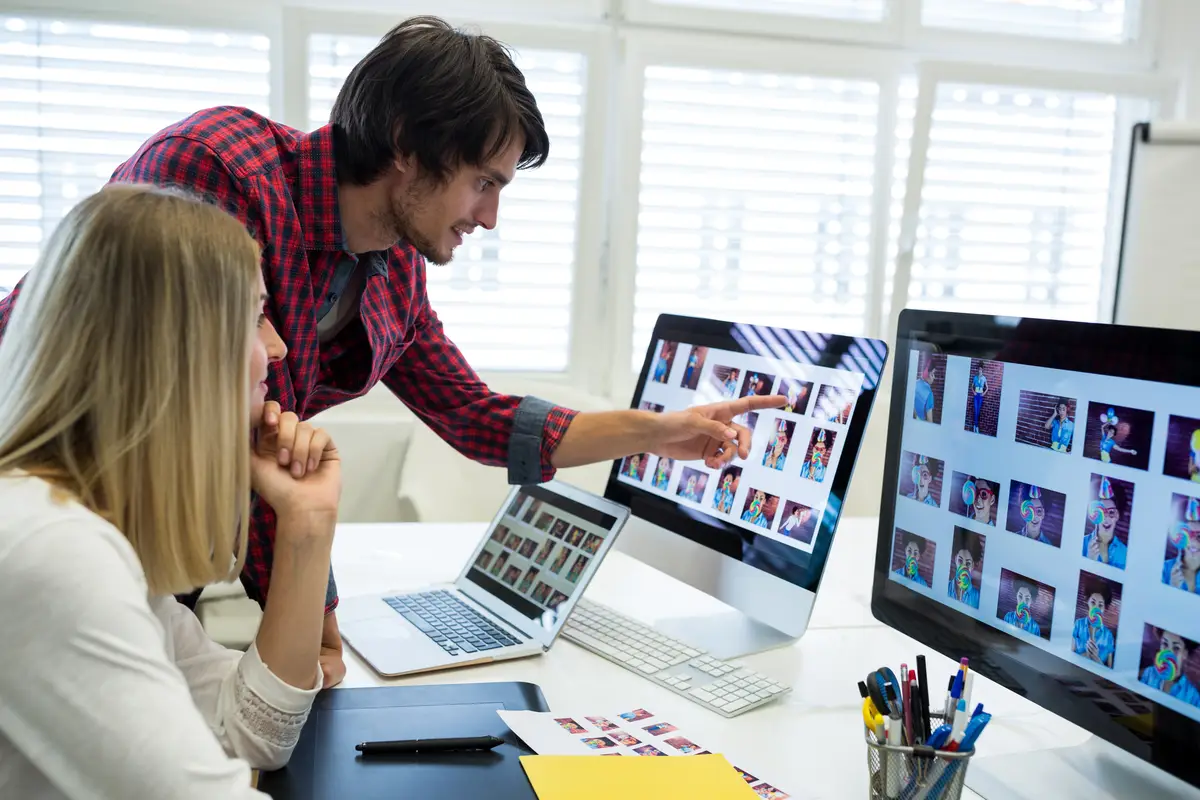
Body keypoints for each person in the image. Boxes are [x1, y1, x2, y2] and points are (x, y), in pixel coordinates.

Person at [0, 16, 783, 685]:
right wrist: (310, 613)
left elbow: (477, 416)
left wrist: (659, 432)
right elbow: (209, 412)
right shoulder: (218, 169)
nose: (491, 217)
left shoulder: (392, 269)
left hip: (143, 556)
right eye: (484, 181)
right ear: (409, 144)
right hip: (55, 527)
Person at [0, 186, 338, 796]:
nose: (277, 350)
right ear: (175, 348)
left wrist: (307, 523)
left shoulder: (92, 529)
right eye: (255, 317)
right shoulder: (52, 548)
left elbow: (247, 735)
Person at [1139, 629, 1200, 707]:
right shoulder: (1149, 674)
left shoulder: (1193, 696)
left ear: (1185, 653)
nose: (1168, 653)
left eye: (1176, 648)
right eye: (1165, 644)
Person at [1082, 477, 1128, 570]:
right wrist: (1088, 561)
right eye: (1101, 512)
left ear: (1118, 515)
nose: (1106, 519)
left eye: (1111, 512)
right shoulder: (1081, 543)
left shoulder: (1125, 553)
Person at [1071, 578, 1116, 668]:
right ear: (1087, 601)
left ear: (1104, 608)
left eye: (1100, 605)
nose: (1096, 608)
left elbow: (1110, 672)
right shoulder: (1078, 624)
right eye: (1093, 602)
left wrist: (1096, 658)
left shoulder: (1108, 636)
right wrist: (1086, 654)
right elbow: (1069, 656)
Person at [1163, 496, 1200, 594]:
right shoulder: (1164, 569)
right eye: (1188, 533)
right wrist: (1171, 586)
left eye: (1199, 536)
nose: (1193, 542)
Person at [947, 534, 981, 609]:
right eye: (960, 560)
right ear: (955, 559)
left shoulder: (978, 598)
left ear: (972, 565)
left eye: (968, 563)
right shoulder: (945, 587)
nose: (963, 567)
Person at [969, 364, 988, 433]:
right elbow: (972, 386)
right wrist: (973, 392)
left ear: (982, 370)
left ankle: (975, 425)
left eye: (981, 370)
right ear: (978, 370)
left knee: (978, 411)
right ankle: (976, 426)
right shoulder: (975, 377)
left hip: (980, 396)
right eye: (979, 369)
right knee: (976, 411)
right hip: (976, 395)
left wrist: (984, 393)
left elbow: (987, 388)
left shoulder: (984, 378)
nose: (980, 371)